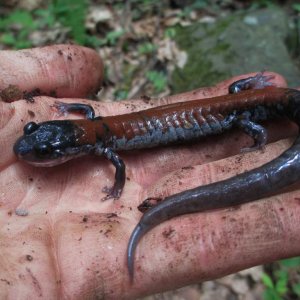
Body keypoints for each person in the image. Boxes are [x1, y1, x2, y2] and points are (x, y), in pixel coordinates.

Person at [0, 45, 299, 299]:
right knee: (238, 101)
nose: (29, 153)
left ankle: (257, 131)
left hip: (248, 109)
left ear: (70, 148)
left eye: (44, 152)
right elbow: (88, 114)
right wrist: (70, 111)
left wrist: (118, 188)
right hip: (257, 102)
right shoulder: (92, 128)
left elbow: (117, 161)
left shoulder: (102, 142)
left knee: (242, 117)